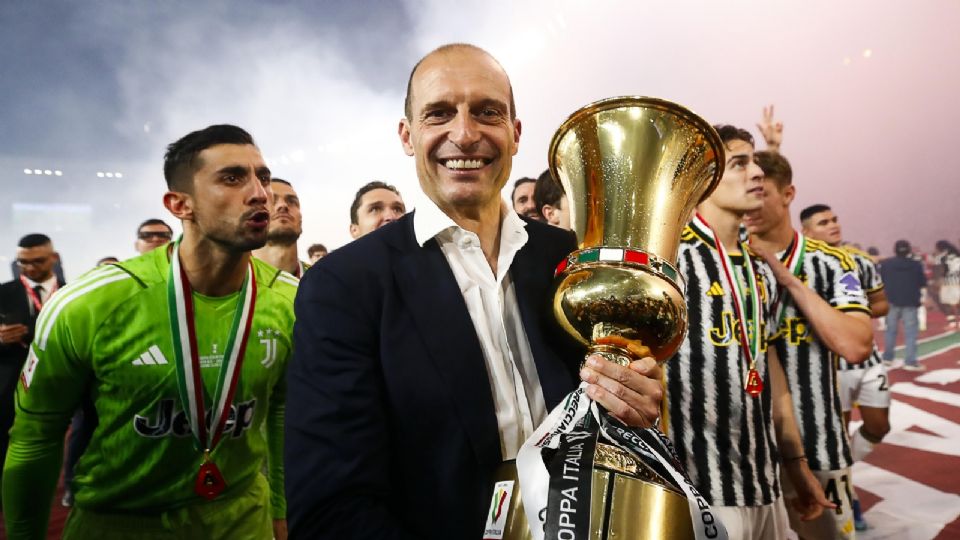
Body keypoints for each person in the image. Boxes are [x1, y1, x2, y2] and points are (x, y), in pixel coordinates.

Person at [285, 43, 663, 539]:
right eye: (439, 113)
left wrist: (638, 405)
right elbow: (333, 506)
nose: (464, 135)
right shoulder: (343, 284)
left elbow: (621, 421)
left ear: (515, 132)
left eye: (488, 112)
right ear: (407, 135)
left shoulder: (573, 259)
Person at [2, 124, 295, 539]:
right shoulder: (89, 304)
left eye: (262, 177)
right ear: (180, 204)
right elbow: (35, 440)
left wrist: (281, 512)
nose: (259, 193)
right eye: (232, 178)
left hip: (244, 520)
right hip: (120, 523)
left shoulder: (290, 300)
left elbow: (282, 414)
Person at [665, 125, 829, 539]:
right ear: (703, 177)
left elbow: (769, 367)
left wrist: (797, 466)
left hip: (766, 482)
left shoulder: (761, 269)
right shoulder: (669, 261)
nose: (756, 172)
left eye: (755, 161)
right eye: (739, 163)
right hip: (701, 490)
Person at [745, 150, 873, 540]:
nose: (750, 201)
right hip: (747, 453)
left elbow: (855, 346)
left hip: (820, 443)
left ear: (788, 194)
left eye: (761, 192)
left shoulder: (832, 262)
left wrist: (787, 278)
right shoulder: (726, 263)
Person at [800, 203, 891, 531]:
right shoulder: (803, 266)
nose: (833, 225)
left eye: (835, 218)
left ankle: (841, 477)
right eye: (824, 222)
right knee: (835, 439)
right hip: (828, 366)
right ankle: (848, 498)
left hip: (867, 359)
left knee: (878, 426)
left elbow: (882, 303)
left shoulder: (861, 261)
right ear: (808, 232)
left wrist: (855, 312)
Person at [0, 233, 66, 504]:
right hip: (9, 382)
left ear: (54, 258)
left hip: (61, 379)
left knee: (58, 440)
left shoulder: (73, 292)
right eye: (22, 262)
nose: (29, 267)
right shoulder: (2, 292)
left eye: (37, 261)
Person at [880, 240, 927, 370]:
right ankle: (910, 361)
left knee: (890, 331)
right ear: (909, 250)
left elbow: (882, 280)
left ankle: (888, 358)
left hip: (891, 300)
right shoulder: (916, 265)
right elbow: (922, 282)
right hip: (910, 301)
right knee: (911, 332)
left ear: (895, 250)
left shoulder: (886, 264)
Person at [253, 178, 309, 278]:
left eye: (292, 202)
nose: (283, 205)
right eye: (271, 200)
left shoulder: (325, 279)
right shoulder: (226, 280)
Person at [933, 240, 960, 329]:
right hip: (958, 282)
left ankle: (952, 322)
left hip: (947, 283)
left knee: (946, 304)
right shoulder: (957, 254)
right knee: (958, 303)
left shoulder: (941, 257)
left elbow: (938, 270)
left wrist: (937, 281)